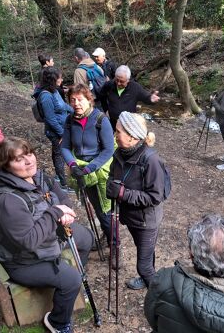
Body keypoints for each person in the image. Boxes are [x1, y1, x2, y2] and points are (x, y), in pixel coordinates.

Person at [0, 137, 93, 333]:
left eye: (29, 154)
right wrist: (55, 213)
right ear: (6, 166)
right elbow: (28, 242)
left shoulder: (39, 177)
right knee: (71, 279)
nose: (28, 161)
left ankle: (69, 283)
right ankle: (58, 322)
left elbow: (63, 197)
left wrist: (65, 210)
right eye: (18, 159)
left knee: (87, 238)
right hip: (25, 261)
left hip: (50, 240)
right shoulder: (8, 200)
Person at [106, 112, 166, 290]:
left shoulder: (151, 160)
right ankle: (149, 275)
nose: (114, 134)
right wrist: (111, 184)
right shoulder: (121, 153)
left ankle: (160, 298)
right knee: (144, 250)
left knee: (143, 266)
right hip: (131, 216)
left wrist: (123, 193)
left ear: (132, 136)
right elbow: (113, 174)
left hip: (146, 220)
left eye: (118, 131)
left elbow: (155, 196)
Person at [61, 84, 115, 248]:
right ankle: (108, 235)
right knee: (97, 208)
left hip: (101, 170)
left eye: (80, 99)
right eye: (73, 100)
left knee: (105, 211)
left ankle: (114, 243)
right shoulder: (70, 120)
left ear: (89, 100)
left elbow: (108, 150)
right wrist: (73, 165)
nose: (76, 103)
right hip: (80, 170)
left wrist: (89, 168)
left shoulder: (100, 119)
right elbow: (64, 147)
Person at [33, 66, 74, 192]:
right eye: (59, 77)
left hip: (63, 129)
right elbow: (50, 118)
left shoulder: (55, 91)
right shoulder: (46, 96)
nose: (61, 79)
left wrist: (77, 111)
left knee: (60, 153)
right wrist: (62, 134)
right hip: (56, 132)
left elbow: (63, 105)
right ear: (52, 79)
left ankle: (60, 178)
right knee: (59, 155)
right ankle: (62, 183)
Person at [97, 65, 160, 130]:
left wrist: (151, 99)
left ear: (128, 80)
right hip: (113, 121)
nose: (118, 83)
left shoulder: (135, 87)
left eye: (121, 81)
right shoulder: (109, 85)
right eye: (117, 80)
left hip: (128, 123)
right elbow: (102, 96)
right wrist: (106, 109)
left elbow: (145, 97)